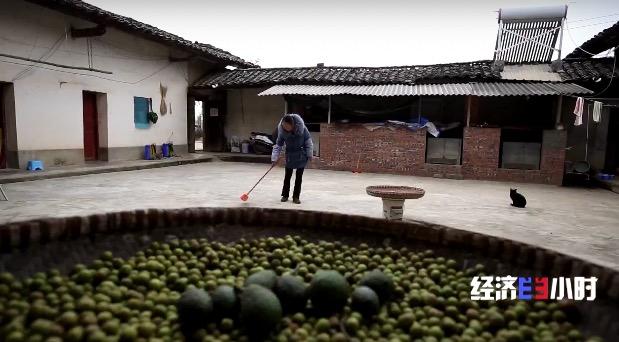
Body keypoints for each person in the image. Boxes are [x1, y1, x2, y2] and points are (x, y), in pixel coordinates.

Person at [271, 114, 313, 204]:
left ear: (292, 124)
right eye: (283, 125)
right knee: (287, 176)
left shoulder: (303, 129)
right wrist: (274, 158)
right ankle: (285, 195)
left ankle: (296, 197)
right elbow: (278, 145)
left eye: (287, 126)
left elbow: (308, 141)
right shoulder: (282, 131)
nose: (285, 127)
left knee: (299, 177)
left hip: (301, 155)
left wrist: (310, 154)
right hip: (290, 155)